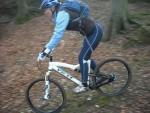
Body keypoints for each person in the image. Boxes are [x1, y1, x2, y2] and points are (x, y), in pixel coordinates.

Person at [37, 0, 103, 93]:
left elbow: (57, 35)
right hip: (89, 34)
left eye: (45, 10)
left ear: (52, 8)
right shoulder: (58, 15)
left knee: (83, 57)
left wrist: (44, 52)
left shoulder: (62, 13)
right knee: (85, 57)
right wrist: (50, 49)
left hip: (95, 32)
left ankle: (84, 85)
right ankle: (100, 76)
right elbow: (58, 35)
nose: (44, 13)